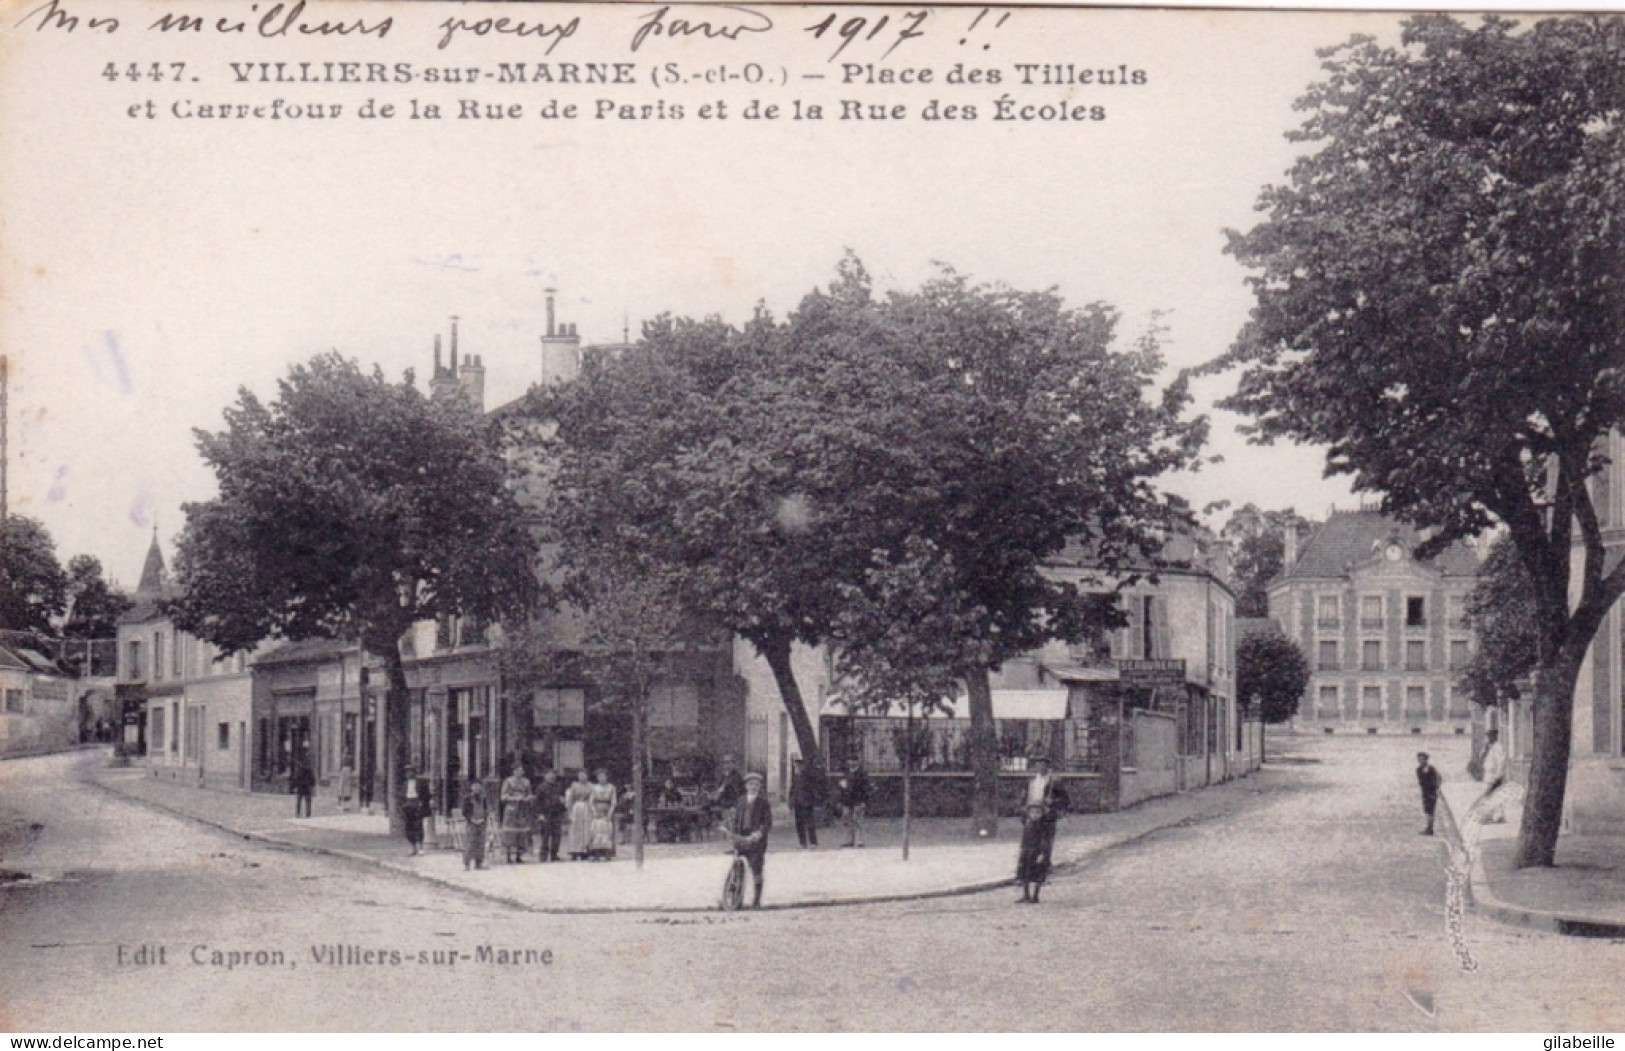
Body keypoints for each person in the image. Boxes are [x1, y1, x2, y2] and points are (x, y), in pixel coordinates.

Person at [1015, 756, 1069, 904]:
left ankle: (1038, 888)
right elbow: (1024, 799)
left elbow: (1065, 800)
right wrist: (1024, 812)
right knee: (1026, 853)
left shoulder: (1054, 783)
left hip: (1046, 820)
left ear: (1048, 767)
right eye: (1038, 765)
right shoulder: (1031, 782)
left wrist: (1053, 803)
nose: (1040, 767)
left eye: (1044, 765)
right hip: (1031, 818)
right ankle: (1024, 890)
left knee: (1042, 852)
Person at [729, 770, 774, 908]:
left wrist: (760, 833)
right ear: (746, 786)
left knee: (756, 869)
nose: (753, 787)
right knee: (737, 868)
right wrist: (732, 832)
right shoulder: (741, 801)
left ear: (760, 787)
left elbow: (768, 822)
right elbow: (736, 819)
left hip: (756, 841)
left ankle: (756, 900)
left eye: (756, 784)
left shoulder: (763, 803)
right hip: (742, 838)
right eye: (751, 784)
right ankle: (735, 898)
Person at [499, 767, 534, 863]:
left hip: (522, 809)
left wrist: (528, 798)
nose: (520, 772)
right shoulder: (508, 781)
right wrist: (515, 798)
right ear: (513, 771)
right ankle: (508, 855)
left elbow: (529, 794)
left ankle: (519, 855)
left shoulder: (526, 782)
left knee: (521, 832)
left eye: (521, 771)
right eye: (517, 770)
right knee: (510, 832)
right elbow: (503, 796)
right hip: (511, 809)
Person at [836, 756, 870, 848]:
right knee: (847, 819)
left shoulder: (862, 774)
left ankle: (860, 840)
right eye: (849, 761)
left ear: (857, 762)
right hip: (847, 801)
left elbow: (866, 789)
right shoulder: (846, 773)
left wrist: (864, 801)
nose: (850, 762)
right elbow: (841, 787)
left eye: (852, 761)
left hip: (858, 800)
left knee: (858, 820)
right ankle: (849, 840)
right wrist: (840, 800)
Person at [534, 770, 566, 862]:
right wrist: (539, 814)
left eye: (553, 776)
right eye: (550, 775)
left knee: (557, 835)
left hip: (557, 813)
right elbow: (537, 802)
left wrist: (563, 808)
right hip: (546, 813)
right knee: (545, 835)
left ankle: (554, 855)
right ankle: (543, 855)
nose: (552, 777)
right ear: (545, 776)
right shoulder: (541, 787)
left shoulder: (558, 787)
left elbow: (562, 799)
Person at [586, 768, 618, 860]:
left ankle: (607, 852)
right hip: (597, 810)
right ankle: (596, 853)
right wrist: (594, 812)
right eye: (600, 776)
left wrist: (610, 813)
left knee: (607, 831)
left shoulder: (611, 787)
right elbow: (591, 801)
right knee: (596, 831)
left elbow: (613, 801)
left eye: (604, 776)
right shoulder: (594, 788)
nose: (602, 778)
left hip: (607, 810)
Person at [789, 757, 820, 848]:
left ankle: (813, 842)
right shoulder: (795, 777)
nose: (797, 767)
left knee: (810, 823)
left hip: (807, 803)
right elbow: (792, 791)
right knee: (799, 824)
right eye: (796, 766)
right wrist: (791, 804)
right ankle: (802, 843)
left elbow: (813, 789)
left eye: (799, 766)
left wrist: (812, 800)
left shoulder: (808, 776)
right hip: (797, 803)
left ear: (803, 766)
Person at [461, 780, 491, 870]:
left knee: (481, 843)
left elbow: (486, 810)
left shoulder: (483, 798)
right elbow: (464, 811)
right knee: (470, 843)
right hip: (472, 823)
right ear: (471, 788)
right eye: (475, 786)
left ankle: (479, 862)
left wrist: (484, 818)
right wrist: (471, 819)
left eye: (478, 786)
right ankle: (467, 864)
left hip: (482, 823)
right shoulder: (467, 798)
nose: (477, 788)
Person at [565, 769, 594, 860]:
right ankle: (574, 851)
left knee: (586, 829)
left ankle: (585, 850)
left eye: (584, 775)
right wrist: (569, 811)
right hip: (576, 808)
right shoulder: (574, 785)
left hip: (587, 807)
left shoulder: (591, 786)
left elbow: (593, 797)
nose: (582, 777)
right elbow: (570, 799)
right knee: (575, 829)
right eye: (580, 775)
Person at [1416, 751, 1442, 836]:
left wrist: (1436, 788)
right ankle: (1429, 827)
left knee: (1431, 810)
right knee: (1427, 810)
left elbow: (1439, 778)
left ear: (1426, 760)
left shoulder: (1431, 769)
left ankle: (1430, 828)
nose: (1420, 761)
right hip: (1425, 792)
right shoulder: (1418, 769)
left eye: (1422, 759)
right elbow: (1421, 781)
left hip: (1432, 792)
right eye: (1419, 759)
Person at [403, 785, 426, 856]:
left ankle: (421, 848)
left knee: (418, 828)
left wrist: (421, 804)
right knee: (409, 830)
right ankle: (413, 848)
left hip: (416, 806)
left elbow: (425, 794)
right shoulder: (405, 782)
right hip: (408, 807)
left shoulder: (420, 782)